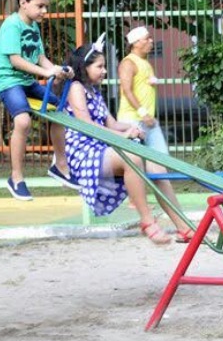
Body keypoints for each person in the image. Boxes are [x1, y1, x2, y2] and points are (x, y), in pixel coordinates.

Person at [63, 43, 194, 245]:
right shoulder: (76, 88)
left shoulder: (94, 91)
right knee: (132, 157)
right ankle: (147, 221)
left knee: (157, 168)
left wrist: (131, 128)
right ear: (84, 67)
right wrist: (122, 137)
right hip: (83, 151)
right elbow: (86, 125)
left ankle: (184, 227)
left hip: (101, 148)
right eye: (99, 66)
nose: (104, 71)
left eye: (104, 66)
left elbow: (112, 123)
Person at [0, 0, 76, 200]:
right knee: (23, 121)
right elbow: (16, 61)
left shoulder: (34, 26)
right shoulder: (12, 25)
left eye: (46, 6)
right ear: (23, 2)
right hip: (8, 81)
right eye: (40, 6)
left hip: (26, 82)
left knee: (60, 113)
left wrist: (58, 70)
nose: (44, 11)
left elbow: (40, 58)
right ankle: (16, 177)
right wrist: (46, 73)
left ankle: (60, 166)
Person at [118, 26, 168, 153]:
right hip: (132, 120)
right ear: (136, 43)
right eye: (147, 38)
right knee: (134, 161)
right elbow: (127, 91)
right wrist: (143, 113)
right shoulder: (128, 63)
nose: (151, 41)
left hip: (147, 119)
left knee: (162, 158)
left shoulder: (144, 62)